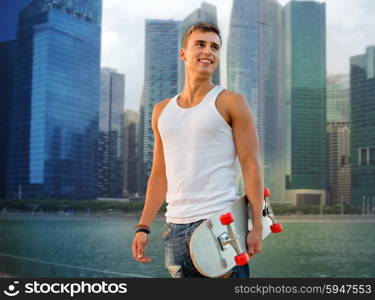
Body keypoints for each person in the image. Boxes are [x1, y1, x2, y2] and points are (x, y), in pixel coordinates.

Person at [131, 22, 264, 278]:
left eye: (214, 47)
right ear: (183, 53)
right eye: (200, 44)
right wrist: (143, 226)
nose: (208, 51)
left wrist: (256, 225)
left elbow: (250, 164)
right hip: (174, 231)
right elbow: (159, 174)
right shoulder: (161, 111)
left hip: (219, 226)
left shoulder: (231, 102)